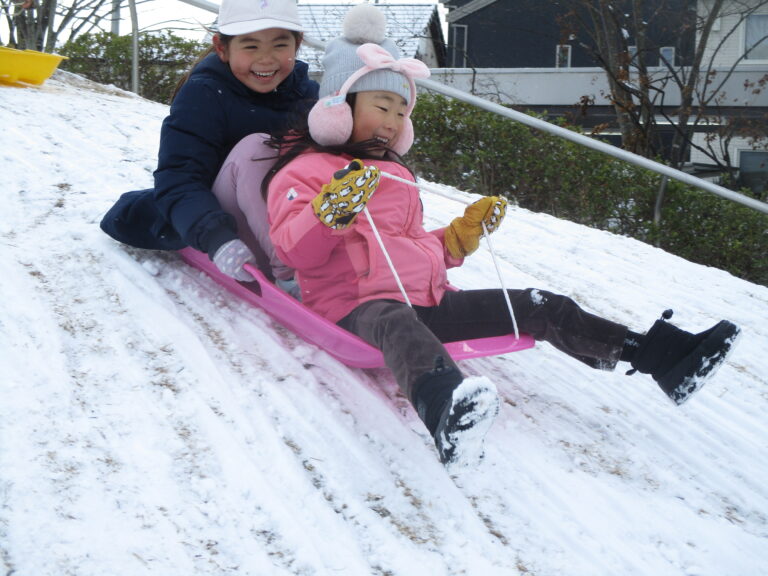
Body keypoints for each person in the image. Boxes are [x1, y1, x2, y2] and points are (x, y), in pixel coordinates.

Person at [264, 5, 742, 469]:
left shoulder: (396, 175)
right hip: (357, 308)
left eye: (401, 110)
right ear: (339, 108)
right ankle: (445, 407)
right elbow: (293, 250)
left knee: (541, 304)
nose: (392, 121)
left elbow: (406, 248)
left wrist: (456, 239)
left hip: (425, 300)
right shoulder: (306, 171)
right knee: (398, 325)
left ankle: (663, 357)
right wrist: (331, 211)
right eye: (381, 105)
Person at [99, 0, 318, 282]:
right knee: (258, 149)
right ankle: (291, 272)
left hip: (289, 213)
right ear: (221, 48)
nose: (266, 59)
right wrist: (216, 236)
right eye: (251, 46)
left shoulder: (308, 94)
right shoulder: (204, 94)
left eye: (279, 45)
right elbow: (181, 176)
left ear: (297, 44)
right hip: (223, 213)